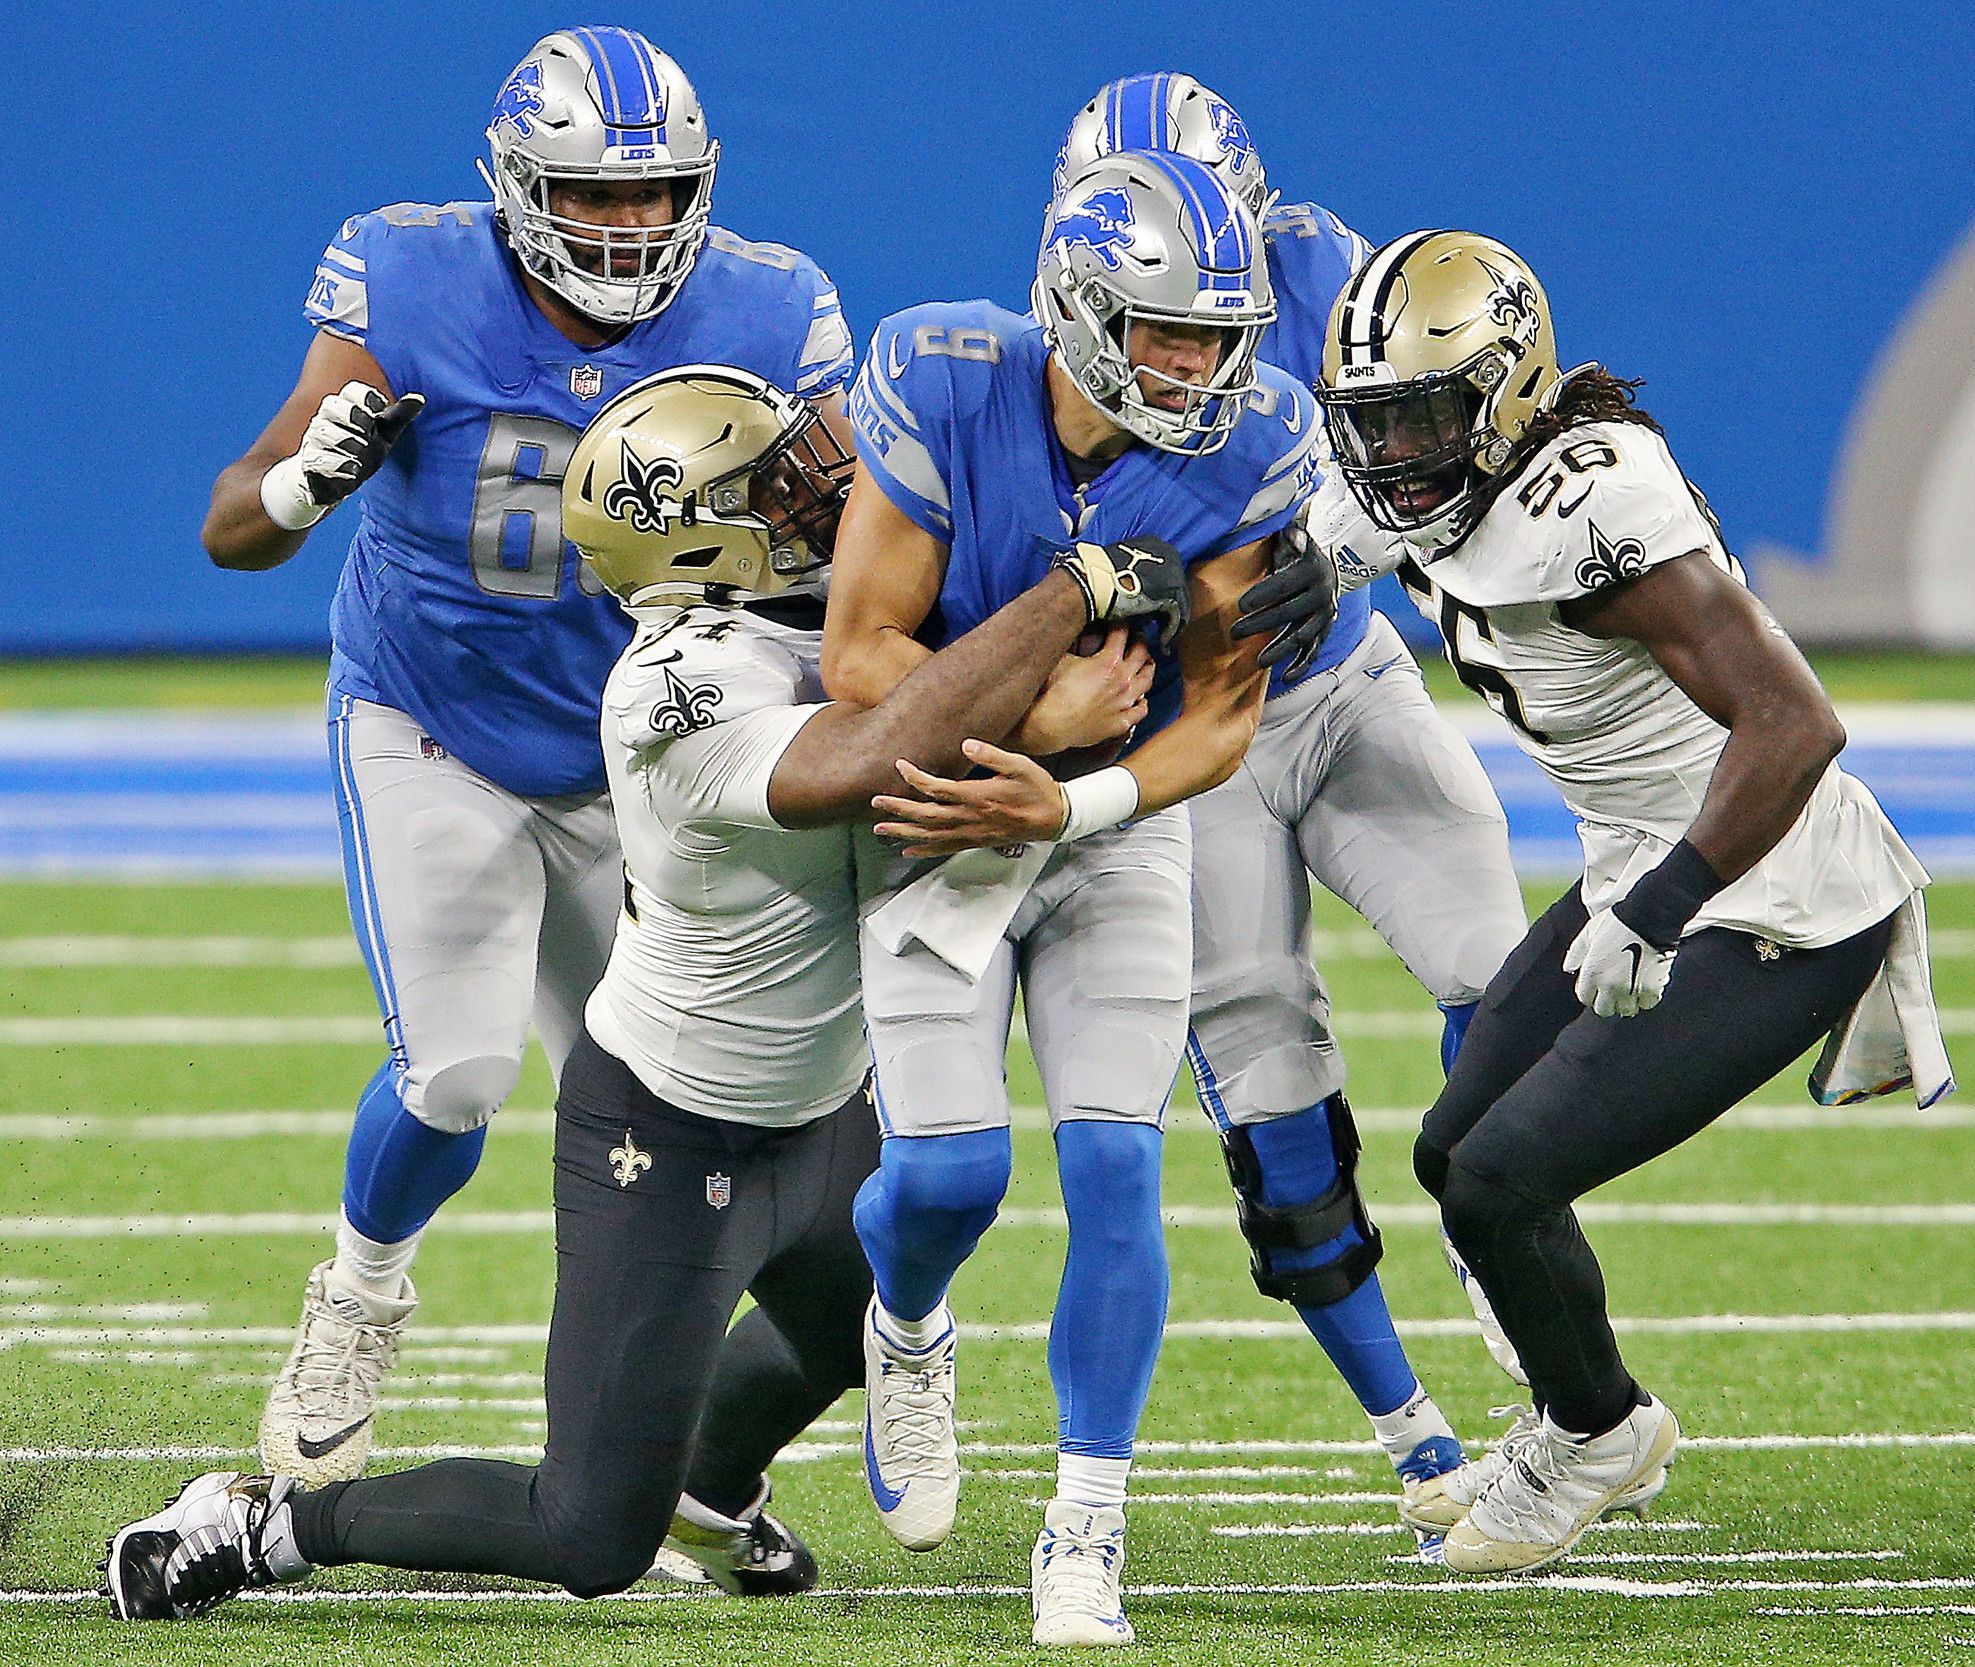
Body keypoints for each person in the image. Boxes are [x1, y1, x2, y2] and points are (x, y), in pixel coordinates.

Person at [106, 362, 1222, 1619]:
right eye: (787, 483)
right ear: (698, 542)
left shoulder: (851, 615)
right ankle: (267, 1523)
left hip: (832, 1109)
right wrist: (1068, 607)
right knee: (588, 1533)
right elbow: (877, 754)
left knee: (874, 1298)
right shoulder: (673, 690)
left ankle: (714, 1476)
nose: (832, 487)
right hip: (672, 1126)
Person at [198, 26, 855, 1494]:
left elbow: (859, 541)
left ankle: (664, 1461)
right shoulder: (406, 276)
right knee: (457, 1070)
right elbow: (232, 525)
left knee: (685, 1114)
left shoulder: (771, 304)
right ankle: (359, 1294)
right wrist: (306, 483)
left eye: (654, 195)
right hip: (437, 718)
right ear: (513, 187)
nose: (626, 231)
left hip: (643, 757)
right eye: (590, 197)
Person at [1312, 229, 1950, 1574]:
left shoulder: (1595, 501)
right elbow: (1329, 535)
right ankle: (1590, 1415)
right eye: (1375, 421)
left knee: (1498, 1180)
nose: (1401, 449)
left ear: (1508, 389)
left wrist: (1662, 905)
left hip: (1773, 888)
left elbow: (1792, 718)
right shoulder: (1416, 488)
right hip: (1643, 862)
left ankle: (1596, 1433)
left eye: (1429, 413)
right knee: (1452, 1149)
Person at [822, 149, 1327, 1647]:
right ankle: (907, 1319)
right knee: (949, 1180)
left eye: (1219, 334)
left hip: (1114, 822)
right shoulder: (941, 371)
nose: (1199, 365)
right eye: (1167, 332)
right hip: (935, 810)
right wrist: (1030, 733)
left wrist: (1081, 793)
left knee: (1116, 1165)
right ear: (1080, 307)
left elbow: (1222, 715)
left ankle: (1086, 1521)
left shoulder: (1255, 441)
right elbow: (859, 654)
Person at [1052, 72, 1533, 1512]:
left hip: (1343, 683)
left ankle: (1501, 1241)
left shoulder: (1331, 271)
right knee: (1274, 1088)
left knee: (1501, 986)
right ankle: (1412, 1429)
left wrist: (1344, 546)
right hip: (1200, 741)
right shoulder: (1041, 369)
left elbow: (1436, 463)